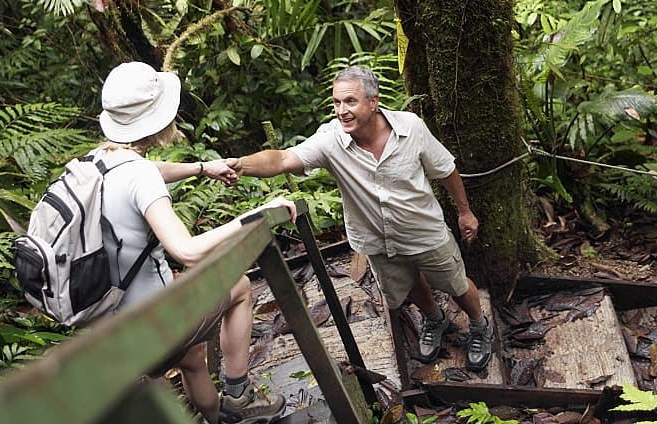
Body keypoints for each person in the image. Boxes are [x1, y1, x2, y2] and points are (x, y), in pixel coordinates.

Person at [226, 65, 495, 372]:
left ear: (373, 101)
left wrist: (464, 210)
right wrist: (241, 166)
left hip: (424, 230)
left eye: (350, 101)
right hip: (377, 240)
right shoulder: (331, 140)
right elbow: (284, 158)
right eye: (337, 103)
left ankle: (478, 325)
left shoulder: (411, 128)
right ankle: (434, 319)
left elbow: (445, 169)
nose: (342, 111)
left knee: (456, 283)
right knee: (408, 284)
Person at [97, 61, 292, 424]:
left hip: (108, 327)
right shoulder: (138, 176)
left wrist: (202, 168)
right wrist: (259, 213)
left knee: (192, 354)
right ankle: (238, 396)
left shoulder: (95, 164)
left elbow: (148, 172)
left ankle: (216, 418)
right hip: (152, 326)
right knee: (240, 286)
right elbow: (186, 250)